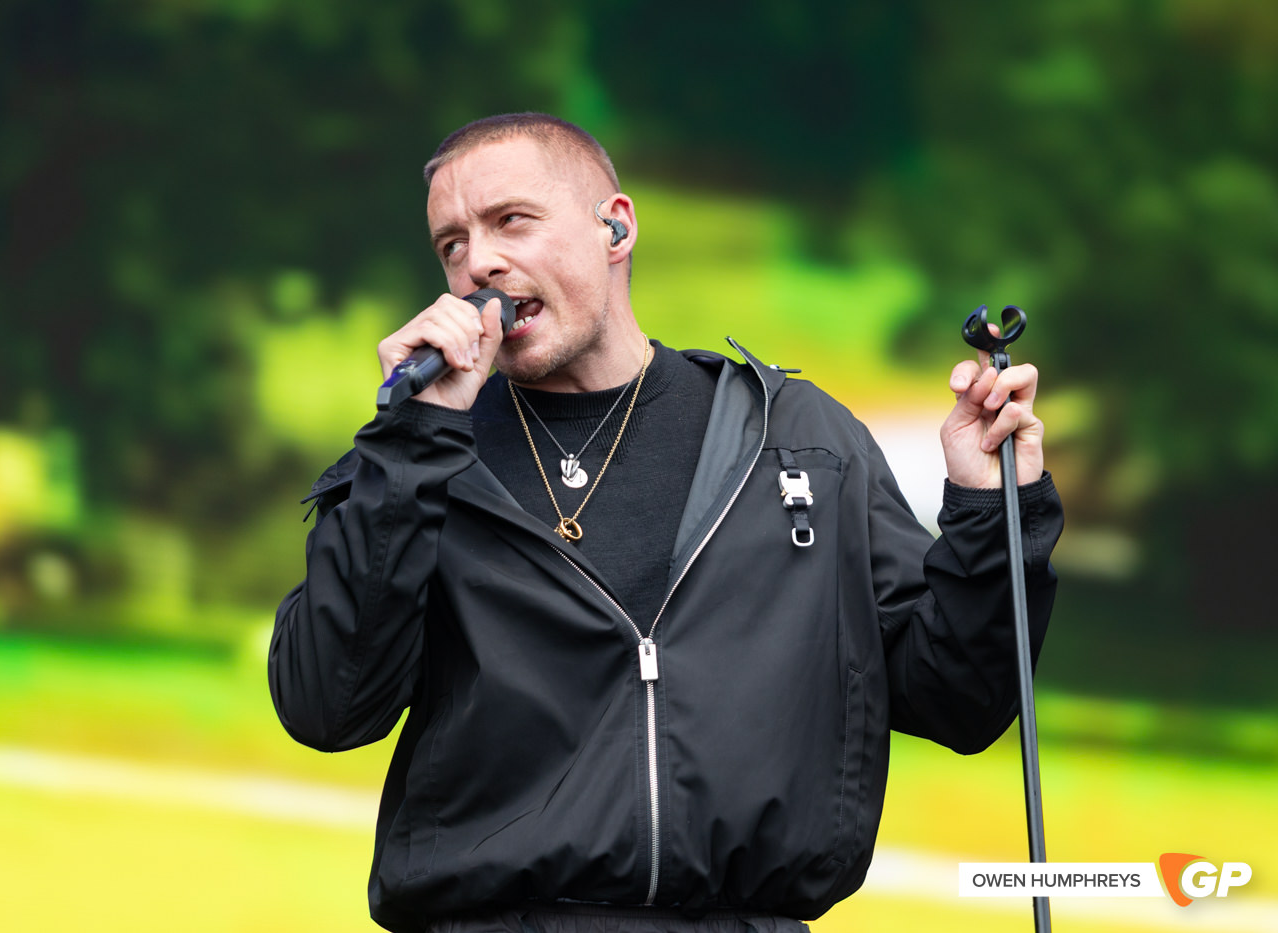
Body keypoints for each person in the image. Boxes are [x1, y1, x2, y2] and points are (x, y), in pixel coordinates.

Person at [269, 113, 1063, 933]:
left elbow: (963, 698)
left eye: (511, 220)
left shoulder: (798, 440)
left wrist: (987, 508)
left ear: (616, 225)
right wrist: (408, 446)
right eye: (452, 244)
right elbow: (327, 706)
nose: (480, 263)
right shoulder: (422, 459)